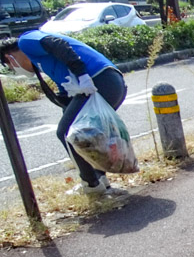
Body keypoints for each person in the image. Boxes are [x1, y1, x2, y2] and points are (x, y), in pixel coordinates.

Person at [0, 32, 127, 196]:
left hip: (99, 80)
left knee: (68, 133)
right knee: (86, 134)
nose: (14, 69)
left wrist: (82, 75)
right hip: (109, 82)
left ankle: (92, 185)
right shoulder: (43, 62)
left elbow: (57, 44)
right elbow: (66, 94)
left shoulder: (26, 41)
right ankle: (99, 180)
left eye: (10, 66)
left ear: (9, 58)